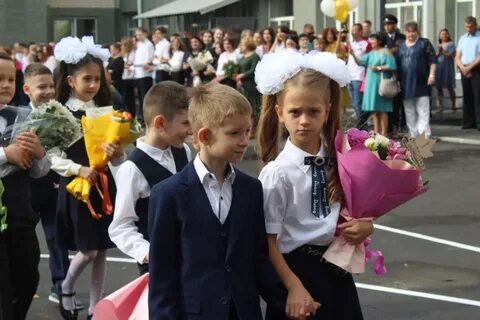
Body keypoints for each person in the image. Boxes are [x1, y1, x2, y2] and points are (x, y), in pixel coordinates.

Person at [148, 83, 286, 320]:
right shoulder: (168, 194)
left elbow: (258, 258)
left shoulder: (251, 189)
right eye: (234, 133)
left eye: (247, 131)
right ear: (204, 136)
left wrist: (287, 300)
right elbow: (162, 276)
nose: (245, 140)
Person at [255, 49, 372, 320]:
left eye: (313, 111)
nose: (304, 120)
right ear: (280, 113)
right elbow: (267, 242)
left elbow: (354, 213)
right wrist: (293, 286)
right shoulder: (277, 173)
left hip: (336, 272)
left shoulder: (342, 160)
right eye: (295, 112)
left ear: (327, 112)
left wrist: (367, 226)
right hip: (294, 273)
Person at [52, 36, 124, 320]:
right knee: (90, 250)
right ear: (70, 81)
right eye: (87, 79)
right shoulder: (60, 112)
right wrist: (77, 169)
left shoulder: (106, 109)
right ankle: (66, 286)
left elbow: (119, 153)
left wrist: (117, 152)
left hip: (104, 183)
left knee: (103, 249)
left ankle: (97, 307)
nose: (93, 85)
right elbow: (51, 155)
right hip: (77, 186)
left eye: (98, 79)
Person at [109, 81, 192, 275]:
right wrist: (148, 253)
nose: (190, 130)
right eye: (185, 123)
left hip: (190, 258)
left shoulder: (183, 151)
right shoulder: (132, 169)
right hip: (158, 269)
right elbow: (121, 226)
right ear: (160, 123)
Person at [22, 63, 84, 310]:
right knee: (24, 245)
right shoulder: (19, 117)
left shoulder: (60, 115)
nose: (48, 91)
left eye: (50, 86)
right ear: (27, 89)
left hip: (50, 186)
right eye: (41, 87)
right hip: (24, 192)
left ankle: (60, 287)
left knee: (56, 237)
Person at [0, 53, 50, 320]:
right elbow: (11, 156)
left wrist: (40, 154)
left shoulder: (24, 117)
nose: (6, 84)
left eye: (10, 79)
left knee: (28, 278)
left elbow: (39, 172)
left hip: (21, 217)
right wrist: (7, 155)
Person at [350, 32, 397, 136]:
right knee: (375, 110)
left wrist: (378, 68)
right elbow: (360, 62)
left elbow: (392, 65)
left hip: (381, 83)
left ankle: (384, 133)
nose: (371, 42)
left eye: (373, 39)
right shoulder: (371, 53)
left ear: (379, 41)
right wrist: (352, 54)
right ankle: (377, 132)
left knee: (383, 109)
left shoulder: (385, 51)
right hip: (371, 84)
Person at [397, 22, 437, 138]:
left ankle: (424, 136)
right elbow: (398, 65)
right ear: (405, 32)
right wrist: (397, 82)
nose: (411, 34)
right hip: (406, 83)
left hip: (421, 82)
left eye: (413, 31)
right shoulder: (401, 46)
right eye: (408, 32)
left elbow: (433, 60)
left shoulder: (424, 43)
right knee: (409, 111)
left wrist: (432, 75)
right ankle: (413, 133)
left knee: (423, 110)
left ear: (417, 31)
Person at [455, 16, 480, 130]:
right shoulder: (462, 38)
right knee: (467, 96)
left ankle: (478, 121)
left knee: (477, 95)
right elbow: (458, 56)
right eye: (466, 27)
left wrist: (469, 68)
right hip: (464, 68)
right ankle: (468, 121)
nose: (468, 29)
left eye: (470, 27)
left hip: (476, 68)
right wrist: (462, 67)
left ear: (475, 25)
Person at [383, 14, 407, 135]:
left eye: (390, 24)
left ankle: (401, 125)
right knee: (388, 101)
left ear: (395, 25)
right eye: (386, 25)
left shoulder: (402, 37)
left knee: (400, 100)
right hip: (387, 74)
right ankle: (390, 127)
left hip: (401, 72)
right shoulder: (381, 38)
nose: (388, 27)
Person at [347, 23, 372, 119]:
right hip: (349, 76)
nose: (353, 32)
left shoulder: (366, 44)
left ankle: (361, 125)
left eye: (355, 30)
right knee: (354, 102)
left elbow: (369, 60)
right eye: (352, 30)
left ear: (361, 32)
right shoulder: (350, 43)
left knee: (358, 102)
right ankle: (361, 122)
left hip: (359, 76)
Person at [236, 37, 261, 129]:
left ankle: (252, 129)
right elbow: (238, 71)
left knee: (252, 108)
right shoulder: (242, 58)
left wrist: (243, 75)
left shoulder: (254, 56)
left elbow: (254, 69)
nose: (240, 46)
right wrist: (237, 78)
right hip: (242, 86)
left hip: (251, 86)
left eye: (242, 44)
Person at [133, 27, 154, 122]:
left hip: (145, 73)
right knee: (140, 96)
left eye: (140, 34)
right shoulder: (139, 44)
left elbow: (149, 58)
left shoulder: (149, 44)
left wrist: (146, 63)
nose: (138, 36)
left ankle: (146, 117)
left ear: (145, 34)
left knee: (145, 96)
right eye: (137, 35)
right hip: (138, 73)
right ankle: (141, 116)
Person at [435, 28, 456, 115]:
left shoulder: (451, 44)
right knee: (439, 87)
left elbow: (450, 55)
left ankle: (453, 105)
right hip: (439, 67)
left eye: (445, 34)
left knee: (449, 86)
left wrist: (442, 50)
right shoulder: (437, 44)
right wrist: (438, 51)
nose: (444, 35)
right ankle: (441, 106)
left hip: (447, 67)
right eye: (442, 34)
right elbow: (434, 55)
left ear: (448, 35)